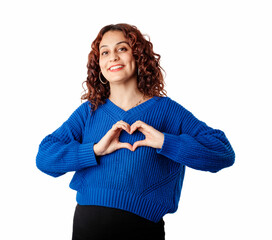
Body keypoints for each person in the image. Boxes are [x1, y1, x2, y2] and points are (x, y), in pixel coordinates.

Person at [36, 23, 235, 240]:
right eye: (105, 52)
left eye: (121, 48)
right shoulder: (89, 112)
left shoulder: (166, 111)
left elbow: (222, 152)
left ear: (138, 56)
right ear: (99, 65)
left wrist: (165, 142)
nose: (113, 57)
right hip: (87, 228)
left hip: (142, 229)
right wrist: (93, 151)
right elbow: (44, 158)